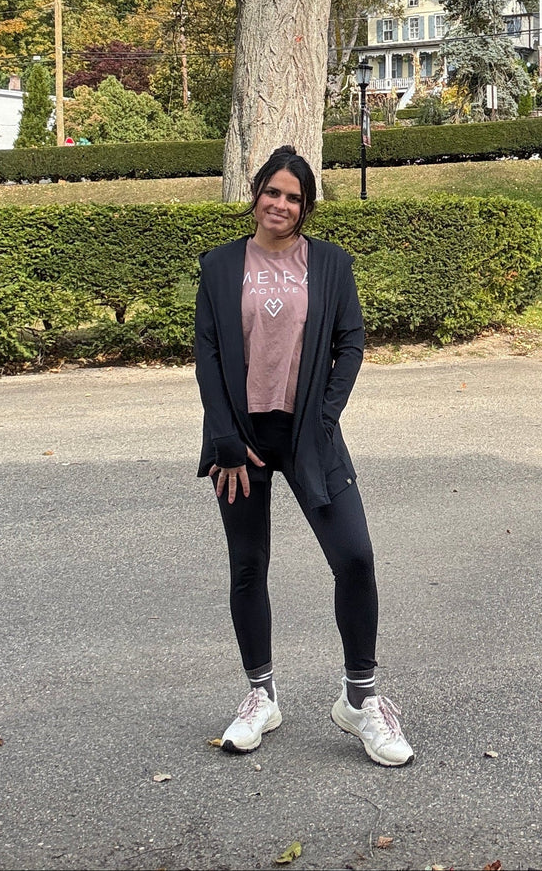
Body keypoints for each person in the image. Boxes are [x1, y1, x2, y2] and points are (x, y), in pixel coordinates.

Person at [194, 145, 413, 767]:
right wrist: (224, 439)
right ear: (255, 192)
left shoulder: (332, 265)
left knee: (356, 558)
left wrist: (323, 418)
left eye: (294, 197)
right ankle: (260, 696)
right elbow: (208, 356)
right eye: (273, 192)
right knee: (247, 565)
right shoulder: (218, 266)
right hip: (240, 441)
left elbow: (352, 341)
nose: (281, 205)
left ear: (305, 208)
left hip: (310, 434)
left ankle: (361, 701)